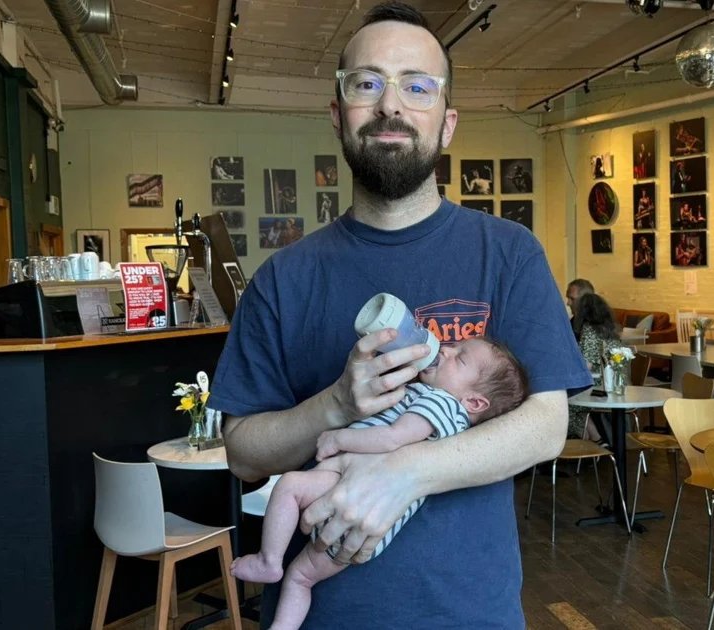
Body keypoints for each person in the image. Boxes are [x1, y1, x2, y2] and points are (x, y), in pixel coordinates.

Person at [209, 4, 590, 628]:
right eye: (367, 83)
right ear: (338, 115)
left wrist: (405, 473)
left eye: (417, 86)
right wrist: (335, 405)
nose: (391, 104)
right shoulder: (282, 278)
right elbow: (243, 453)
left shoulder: (508, 252)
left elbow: (546, 425)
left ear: (447, 124)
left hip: (469, 614)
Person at [230, 338, 528, 630]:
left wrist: (338, 439)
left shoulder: (442, 403)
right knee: (300, 578)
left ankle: (269, 560)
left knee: (290, 486)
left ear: (474, 402)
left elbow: (391, 438)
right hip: (362, 524)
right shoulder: (439, 406)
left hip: (347, 489)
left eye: (459, 358)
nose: (446, 349)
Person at [567, 293, 618, 442]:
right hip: (615, 384)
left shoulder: (589, 331)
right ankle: (593, 442)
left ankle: (593, 441)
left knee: (567, 403)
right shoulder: (610, 330)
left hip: (598, 386)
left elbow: (586, 366)